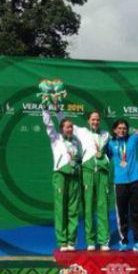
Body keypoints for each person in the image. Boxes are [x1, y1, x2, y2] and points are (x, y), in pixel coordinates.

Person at [103, 111, 138, 253]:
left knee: (135, 213)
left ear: (127, 129)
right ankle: (123, 241)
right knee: (121, 214)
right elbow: (104, 156)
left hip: (135, 180)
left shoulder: (134, 139)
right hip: (120, 182)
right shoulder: (110, 143)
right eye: (119, 128)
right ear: (115, 130)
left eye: (124, 128)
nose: (122, 130)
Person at [58, 109, 113, 251]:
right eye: (93, 119)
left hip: (102, 173)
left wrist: (133, 132)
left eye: (97, 119)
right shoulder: (81, 131)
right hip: (87, 172)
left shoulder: (105, 135)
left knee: (103, 207)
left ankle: (104, 241)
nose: (95, 122)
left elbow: (118, 142)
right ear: (88, 120)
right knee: (88, 207)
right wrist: (58, 109)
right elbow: (64, 121)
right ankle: (91, 241)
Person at [42, 104, 83, 251]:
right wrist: (46, 108)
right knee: (61, 210)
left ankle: (72, 241)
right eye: (66, 127)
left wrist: (59, 110)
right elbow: (49, 124)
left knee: (73, 210)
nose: (69, 129)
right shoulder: (56, 139)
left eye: (71, 127)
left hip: (74, 176)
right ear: (61, 129)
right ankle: (62, 242)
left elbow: (79, 158)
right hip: (60, 175)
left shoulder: (76, 142)